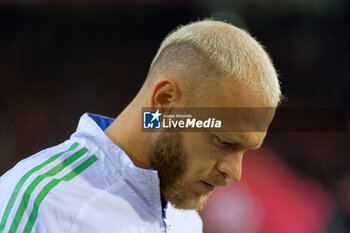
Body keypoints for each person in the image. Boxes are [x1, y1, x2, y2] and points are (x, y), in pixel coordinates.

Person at [0, 19, 281, 233]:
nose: (235, 172)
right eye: (222, 141)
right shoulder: (38, 200)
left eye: (246, 149)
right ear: (165, 101)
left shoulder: (185, 218)